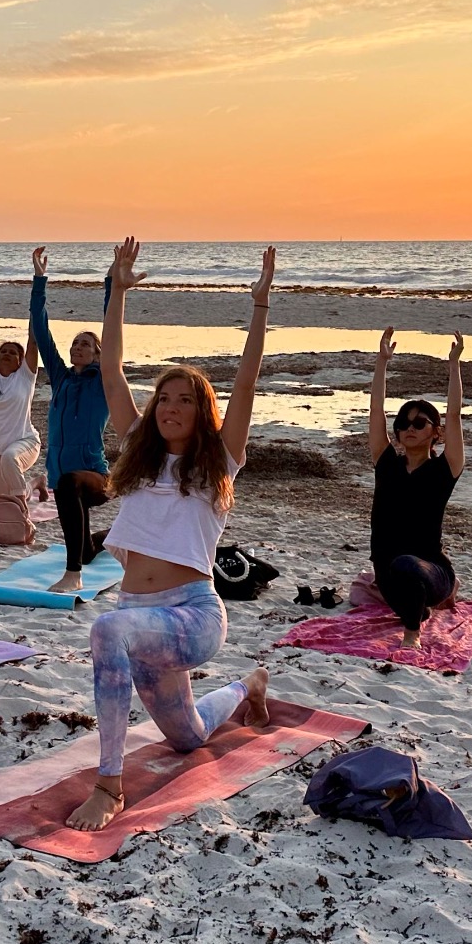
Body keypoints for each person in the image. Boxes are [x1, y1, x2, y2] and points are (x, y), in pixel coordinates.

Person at [68, 239, 275, 832]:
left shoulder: (216, 466)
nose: (170, 407)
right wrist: (118, 291)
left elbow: (246, 382)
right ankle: (248, 686)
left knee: (105, 627)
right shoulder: (137, 454)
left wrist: (258, 308)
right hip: (141, 616)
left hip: (190, 617)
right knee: (189, 737)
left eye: (186, 400)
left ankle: (110, 786)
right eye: (164, 397)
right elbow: (111, 371)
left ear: (202, 412)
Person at [368, 327, 466, 649]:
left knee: (408, 565)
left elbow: (454, 415)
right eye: (403, 424)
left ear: (435, 433)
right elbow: (375, 412)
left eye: (419, 423)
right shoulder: (387, 464)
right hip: (387, 572)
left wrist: (453, 365)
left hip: (431, 569)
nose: (409, 428)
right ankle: (419, 609)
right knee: (398, 572)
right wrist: (382, 363)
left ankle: (413, 636)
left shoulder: (444, 469)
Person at [30, 247, 114, 592]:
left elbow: (112, 327)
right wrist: (39, 280)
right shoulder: (61, 379)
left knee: (69, 485)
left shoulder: (104, 381)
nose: (77, 347)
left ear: (98, 354)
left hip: (98, 477)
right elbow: (40, 328)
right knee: (87, 548)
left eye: (86, 344)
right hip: (64, 477)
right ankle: (108, 539)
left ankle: (72, 574)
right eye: (75, 343)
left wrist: (112, 282)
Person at [0, 283, 40, 499]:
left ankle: (22, 507)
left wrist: (35, 308)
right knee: (5, 497)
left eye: (12, 352)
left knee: (10, 460)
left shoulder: (25, 377)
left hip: (25, 442)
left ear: (20, 361)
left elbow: (33, 342)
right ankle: (36, 484)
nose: (6, 354)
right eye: (2, 351)